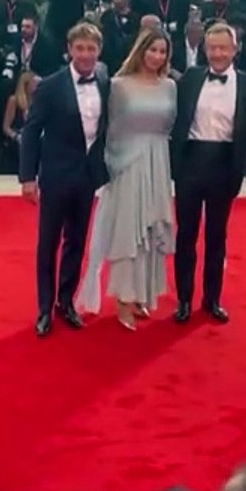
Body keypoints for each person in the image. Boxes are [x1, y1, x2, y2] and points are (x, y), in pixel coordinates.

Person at [80, 27, 176, 330]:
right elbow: (111, 129)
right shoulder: (119, 86)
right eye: (152, 50)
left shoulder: (171, 86)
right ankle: (122, 298)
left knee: (150, 233)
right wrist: (115, 166)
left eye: (162, 52)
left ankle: (140, 297)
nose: (157, 57)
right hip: (126, 166)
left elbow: (170, 127)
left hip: (158, 164)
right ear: (141, 50)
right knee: (128, 233)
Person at [171, 22, 246, 324]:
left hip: (226, 164)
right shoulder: (190, 79)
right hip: (190, 163)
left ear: (235, 50)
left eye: (224, 47)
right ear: (204, 49)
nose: (218, 53)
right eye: (212, 48)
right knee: (185, 236)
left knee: (216, 236)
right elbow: (176, 123)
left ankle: (211, 299)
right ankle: (183, 300)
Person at [19, 22, 109, 337]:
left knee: (76, 242)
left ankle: (65, 301)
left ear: (99, 52)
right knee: (48, 244)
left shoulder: (103, 80)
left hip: (87, 177)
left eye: (91, 49)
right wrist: (28, 178)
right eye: (80, 48)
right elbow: (30, 132)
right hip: (56, 175)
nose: (86, 55)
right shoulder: (50, 86)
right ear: (69, 50)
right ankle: (44, 308)